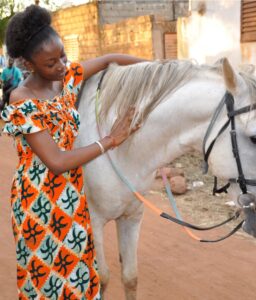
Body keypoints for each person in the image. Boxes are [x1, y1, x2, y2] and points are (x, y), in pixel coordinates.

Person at [1, 4, 145, 300]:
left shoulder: (66, 80)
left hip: (72, 197)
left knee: (80, 276)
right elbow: (56, 161)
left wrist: (161, 70)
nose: (61, 66)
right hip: (38, 202)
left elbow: (110, 59)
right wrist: (110, 140)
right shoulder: (22, 99)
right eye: (51, 63)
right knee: (48, 285)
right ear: (28, 64)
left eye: (63, 56)